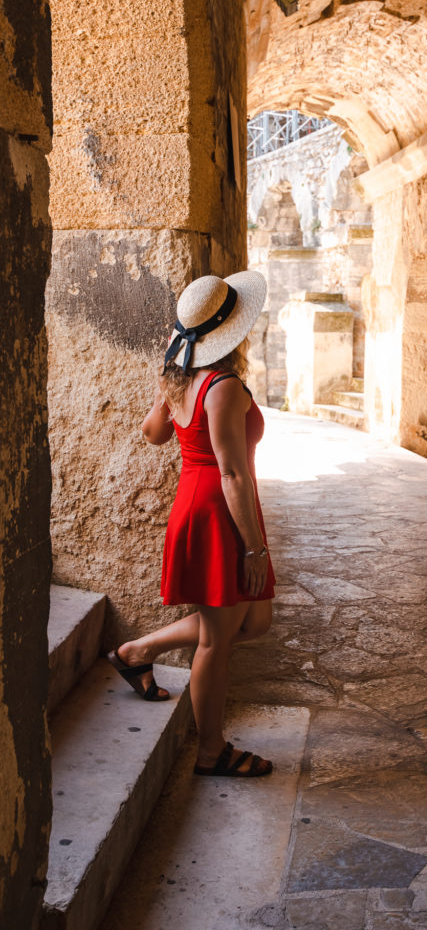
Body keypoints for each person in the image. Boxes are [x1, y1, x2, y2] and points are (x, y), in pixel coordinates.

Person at [107, 271, 275, 777]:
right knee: (217, 640)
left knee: (254, 620)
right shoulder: (221, 385)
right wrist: (253, 548)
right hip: (218, 512)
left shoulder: (179, 376)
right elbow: (231, 472)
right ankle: (211, 751)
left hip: (200, 503)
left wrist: (167, 383)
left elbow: (153, 433)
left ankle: (137, 650)